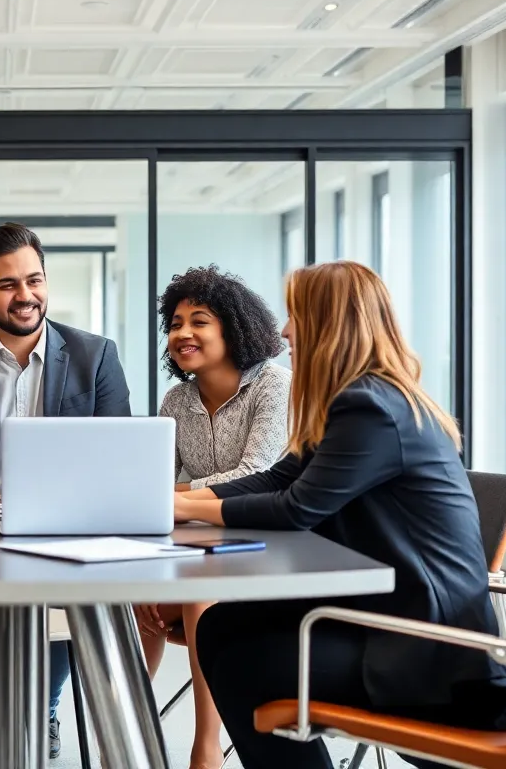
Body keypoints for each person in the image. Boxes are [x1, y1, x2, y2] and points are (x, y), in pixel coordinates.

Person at [174, 261, 506, 769]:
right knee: (223, 627)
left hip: (429, 653)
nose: (285, 331)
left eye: (295, 316)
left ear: (329, 324)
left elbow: (297, 507)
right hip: (392, 616)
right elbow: (277, 479)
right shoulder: (354, 400)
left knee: (248, 659)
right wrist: (178, 504)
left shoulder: (371, 408)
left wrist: (179, 504)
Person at [0, 222, 132, 760]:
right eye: (8, 285)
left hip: (67, 528)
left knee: (75, 600)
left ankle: (38, 707)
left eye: (33, 280)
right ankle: (29, 703)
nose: (25, 295)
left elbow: (120, 455)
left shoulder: (94, 355)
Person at [134, 266, 291, 769]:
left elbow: (257, 473)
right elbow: (151, 479)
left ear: (234, 327)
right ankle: (129, 733)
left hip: (270, 544)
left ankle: (206, 747)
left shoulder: (273, 385)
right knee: (136, 594)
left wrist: (174, 493)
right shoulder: (177, 400)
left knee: (202, 589)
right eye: (175, 324)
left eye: (198, 321)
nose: (182, 334)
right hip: (200, 541)